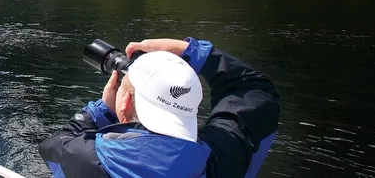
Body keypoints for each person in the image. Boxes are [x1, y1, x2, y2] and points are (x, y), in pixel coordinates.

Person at [39, 38, 280, 178]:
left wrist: (103, 109)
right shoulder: (226, 155)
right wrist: (194, 53)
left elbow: (52, 146)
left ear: (124, 104)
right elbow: (254, 91)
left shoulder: (87, 160)